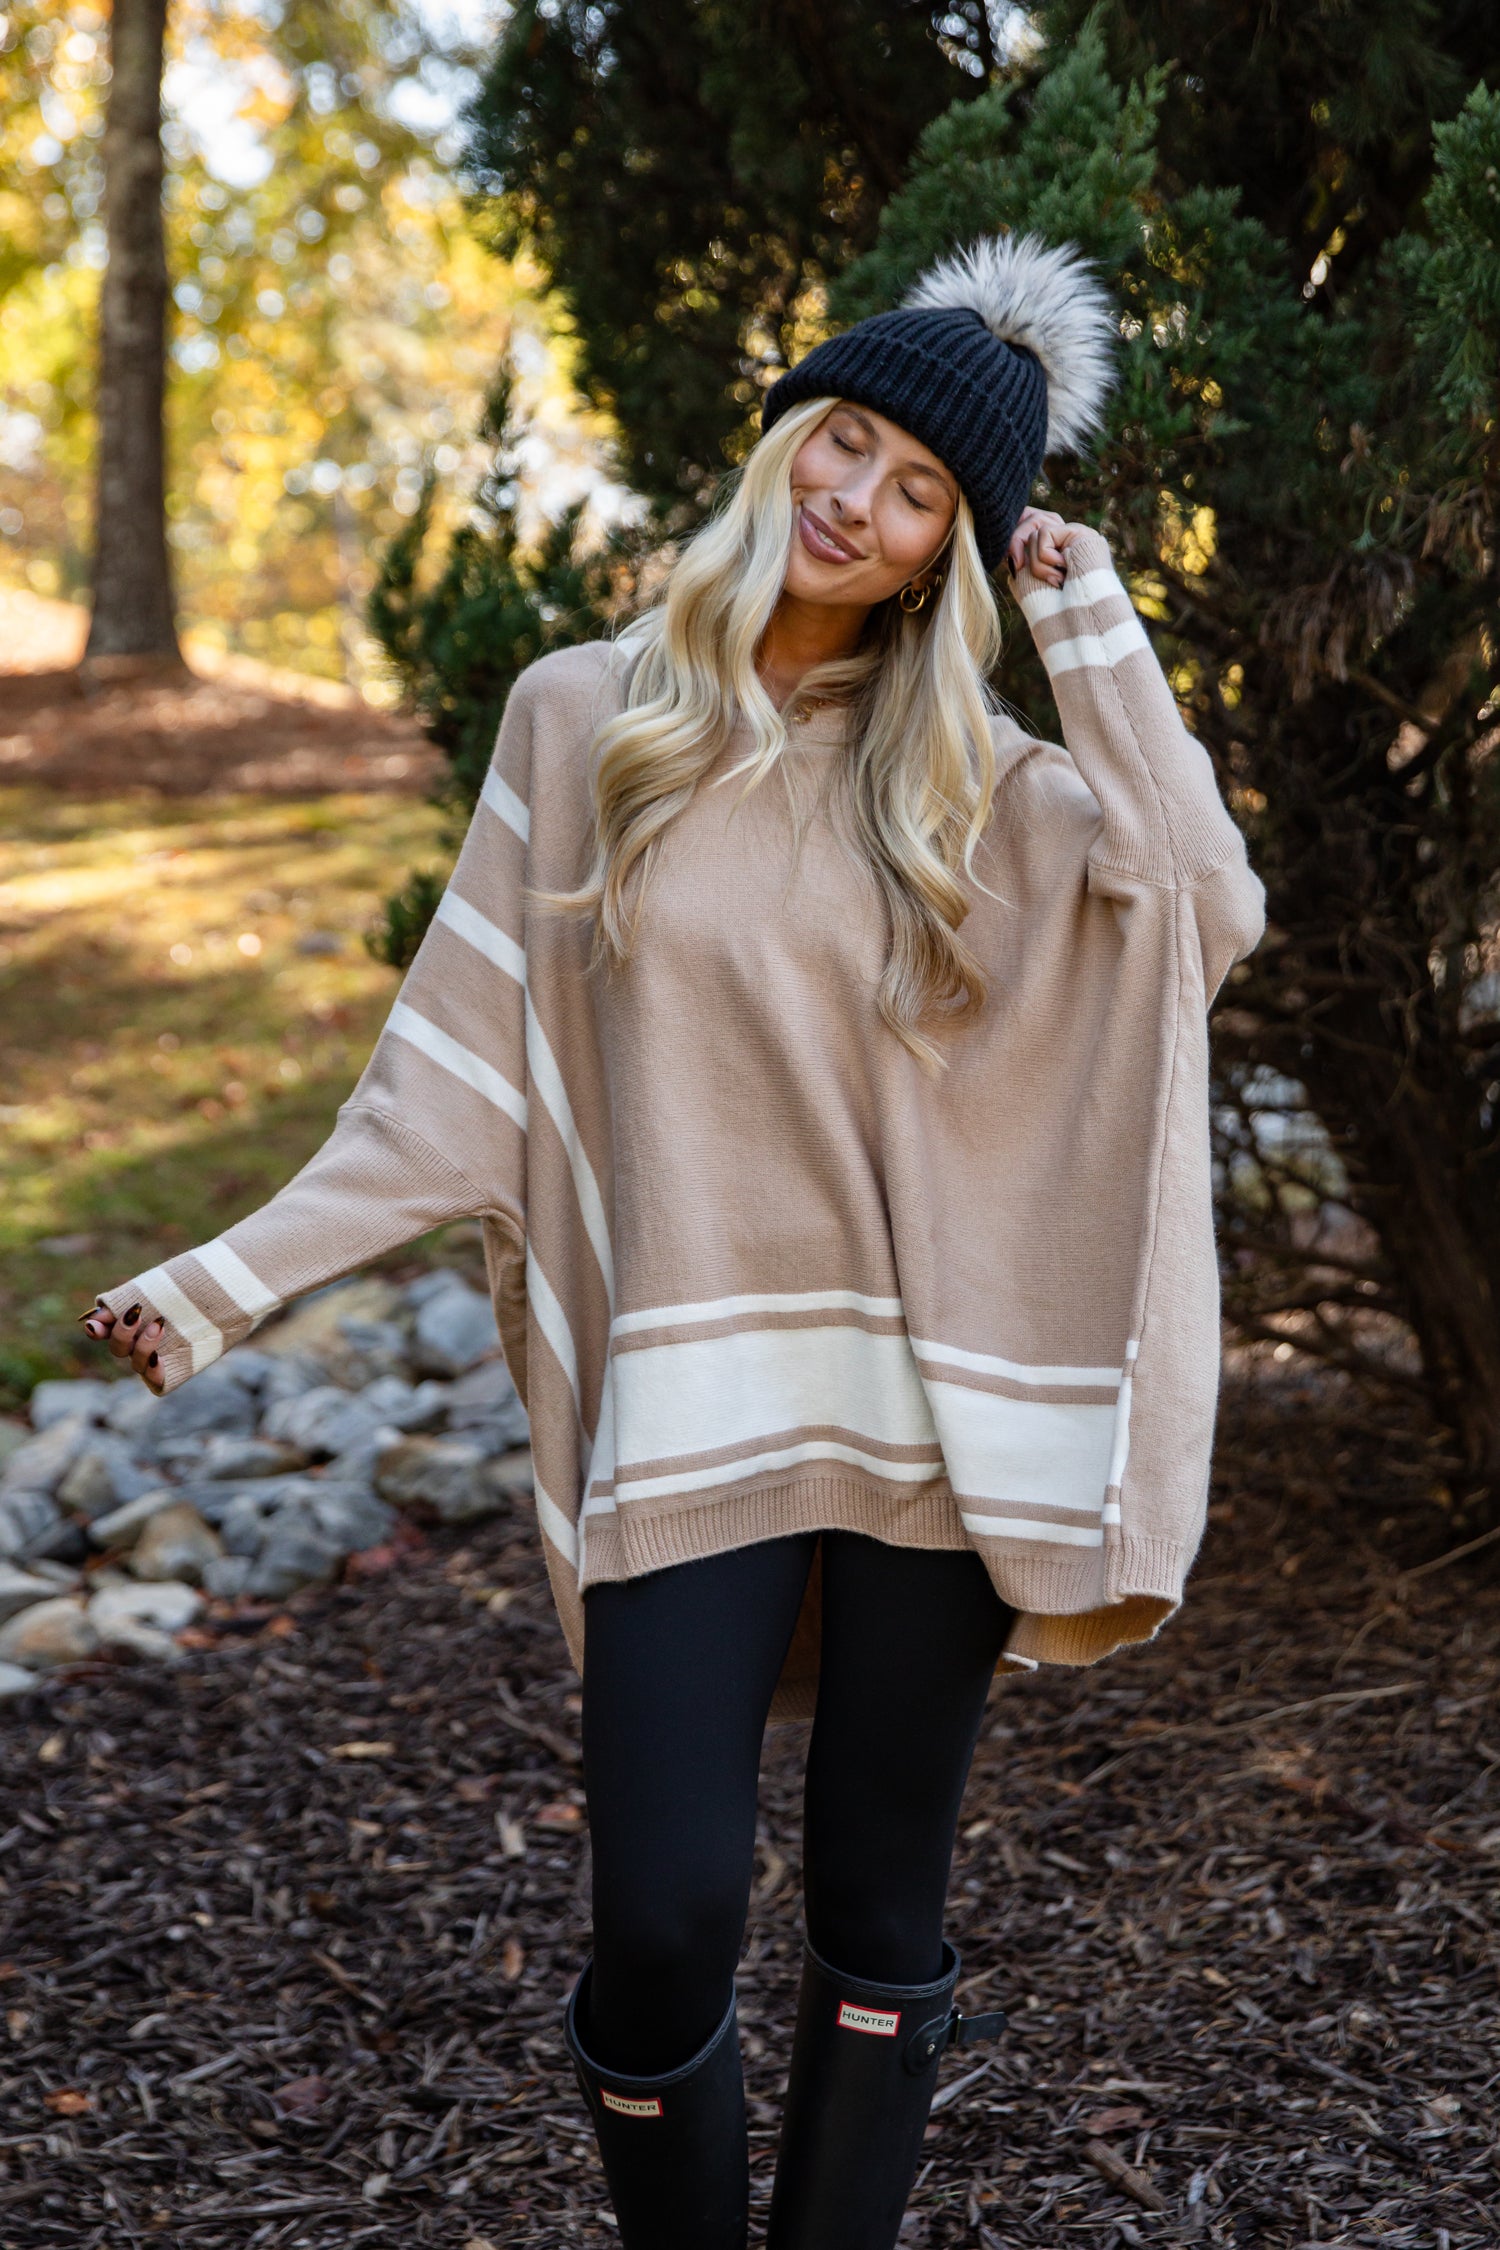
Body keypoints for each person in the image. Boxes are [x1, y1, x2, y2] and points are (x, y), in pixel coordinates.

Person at [84, 232, 1264, 2249]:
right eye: (850, 441)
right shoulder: (584, 718)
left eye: (921, 494)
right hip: (693, 1403)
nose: (860, 500)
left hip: (927, 1429)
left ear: (947, 560)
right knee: (663, 1915)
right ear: (787, 434)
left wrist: (1086, 616)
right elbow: (449, 1077)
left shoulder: (980, 786)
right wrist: (228, 1278)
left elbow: (1202, 909)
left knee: (882, 1902)